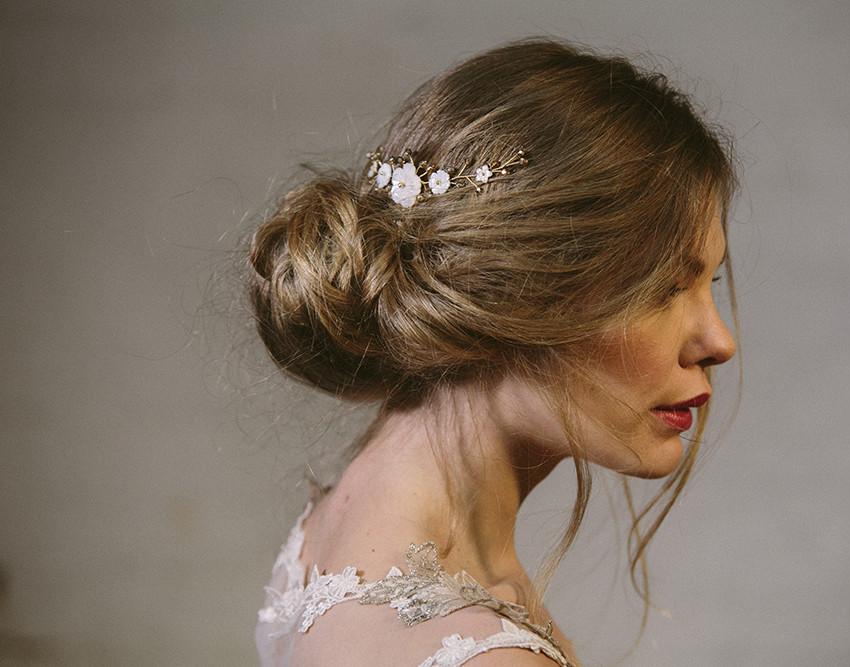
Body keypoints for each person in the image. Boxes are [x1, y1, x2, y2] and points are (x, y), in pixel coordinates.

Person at [249, 35, 740, 667]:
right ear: (514, 291)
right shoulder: (483, 656)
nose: (719, 342)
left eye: (710, 284)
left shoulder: (344, 519)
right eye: (665, 288)